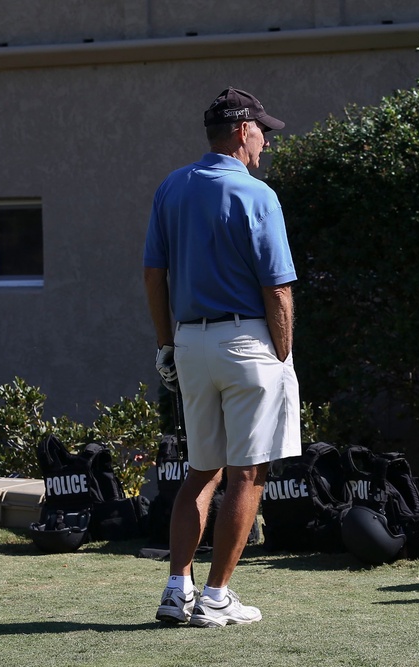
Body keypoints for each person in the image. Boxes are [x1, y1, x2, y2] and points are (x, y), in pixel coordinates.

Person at [143, 87, 300, 627]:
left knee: (200, 471)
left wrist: (167, 343)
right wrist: (283, 354)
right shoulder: (258, 194)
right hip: (247, 344)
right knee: (248, 475)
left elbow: (153, 274)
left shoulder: (172, 186)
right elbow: (277, 289)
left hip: (189, 343)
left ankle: (176, 586)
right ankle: (215, 596)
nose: (267, 142)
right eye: (263, 132)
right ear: (241, 131)